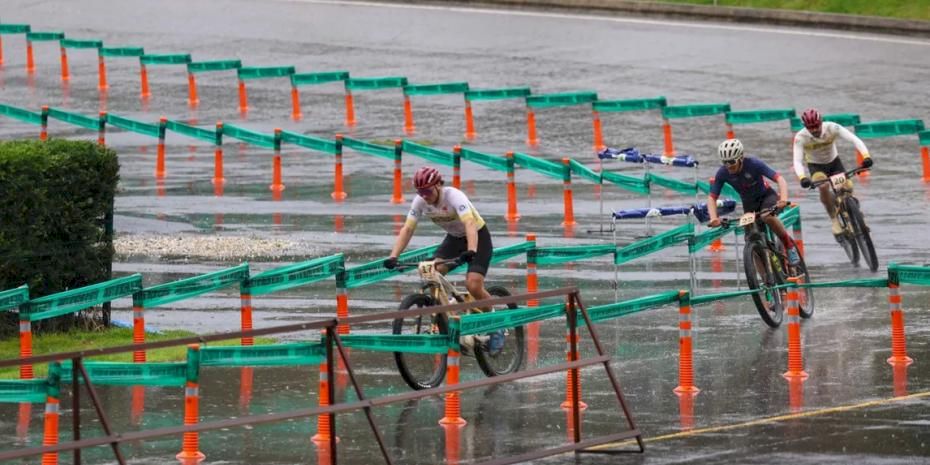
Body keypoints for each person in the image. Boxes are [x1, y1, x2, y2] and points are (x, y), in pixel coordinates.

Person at [383, 166, 494, 305]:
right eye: (420, 191)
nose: (424, 196)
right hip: (454, 238)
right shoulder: (420, 201)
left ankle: (499, 322)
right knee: (432, 272)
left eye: (427, 191)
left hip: (477, 237)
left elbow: (469, 222)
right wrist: (393, 256)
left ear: (438, 185)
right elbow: (407, 229)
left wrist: (471, 250)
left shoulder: (454, 196)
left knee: (473, 286)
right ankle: (445, 313)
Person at [707, 139, 801, 266]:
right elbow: (712, 197)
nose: (728, 166)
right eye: (725, 162)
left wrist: (783, 199)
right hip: (749, 204)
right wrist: (714, 218)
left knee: (766, 216)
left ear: (740, 158)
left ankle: (789, 246)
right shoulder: (722, 173)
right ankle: (765, 282)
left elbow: (780, 179)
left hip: (766, 196)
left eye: (731, 162)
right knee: (750, 240)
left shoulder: (753, 164)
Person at [792, 108, 873, 236]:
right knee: (823, 186)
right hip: (816, 166)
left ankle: (855, 213)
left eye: (816, 126)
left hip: (834, 163)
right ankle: (834, 220)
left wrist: (866, 156)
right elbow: (797, 161)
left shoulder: (832, 128)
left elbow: (854, 139)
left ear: (821, 122)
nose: (814, 130)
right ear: (805, 127)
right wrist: (802, 177)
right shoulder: (800, 137)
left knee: (847, 188)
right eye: (810, 127)